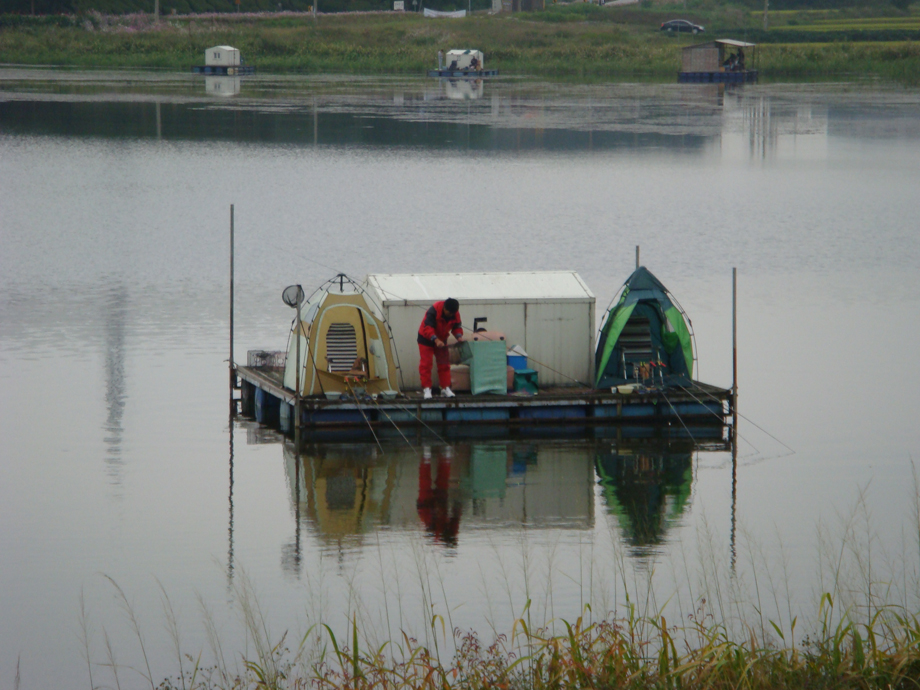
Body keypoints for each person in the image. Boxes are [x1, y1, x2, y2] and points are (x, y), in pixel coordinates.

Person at [418, 297, 464, 399]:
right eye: (449, 313)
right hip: (425, 338)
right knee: (426, 364)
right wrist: (436, 340)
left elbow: (457, 327)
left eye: (453, 313)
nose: (451, 315)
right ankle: (426, 389)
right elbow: (428, 328)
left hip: (442, 339)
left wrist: (459, 336)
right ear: (444, 308)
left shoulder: (455, 313)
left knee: (444, 364)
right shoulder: (433, 311)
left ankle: (445, 388)